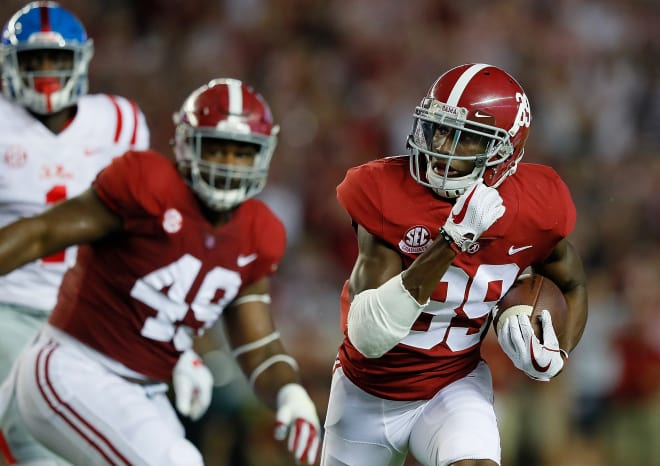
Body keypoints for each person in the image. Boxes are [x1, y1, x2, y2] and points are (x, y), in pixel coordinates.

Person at [0, 77, 321, 465]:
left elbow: (258, 342)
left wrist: (289, 392)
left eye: (242, 152)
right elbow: (40, 234)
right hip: (74, 365)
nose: (229, 165)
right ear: (187, 144)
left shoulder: (260, 231)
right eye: (217, 149)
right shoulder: (147, 184)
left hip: (145, 390)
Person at [320, 63, 588, 466]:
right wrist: (451, 240)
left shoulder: (535, 206)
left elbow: (572, 283)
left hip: (454, 384)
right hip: (367, 393)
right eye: (440, 128)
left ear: (504, 151)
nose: (443, 146)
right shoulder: (383, 189)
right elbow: (369, 334)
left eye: (466, 138)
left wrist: (559, 350)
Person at [0, 2, 150, 464]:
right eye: (34, 60)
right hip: (10, 306)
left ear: (81, 61)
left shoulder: (119, 122)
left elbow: (139, 230)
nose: (45, 72)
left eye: (56, 60)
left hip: (92, 316)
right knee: (35, 443)